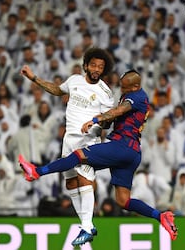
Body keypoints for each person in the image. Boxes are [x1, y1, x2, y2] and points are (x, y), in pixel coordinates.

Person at [18, 70, 178, 244]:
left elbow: (119, 111)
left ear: (136, 86)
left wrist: (95, 120)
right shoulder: (130, 95)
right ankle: (161, 217)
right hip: (132, 152)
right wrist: (104, 121)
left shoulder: (138, 96)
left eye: (125, 87)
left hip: (122, 146)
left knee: (79, 155)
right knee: (123, 200)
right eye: (121, 86)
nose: (122, 89)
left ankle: (37, 172)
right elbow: (117, 117)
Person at [19, 47, 115, 246]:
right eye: (94, 65)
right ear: (86, 65)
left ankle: (87, 226)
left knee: (84, 179)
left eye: (101, 67)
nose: (97, 69)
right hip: (69, 139)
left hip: (88, 141)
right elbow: (56, 90)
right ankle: (86, 225)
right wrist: (33, 78)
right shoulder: (74, 80)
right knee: (70, 184)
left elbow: (109, 121)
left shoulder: (106, 93)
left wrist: (98, 122)